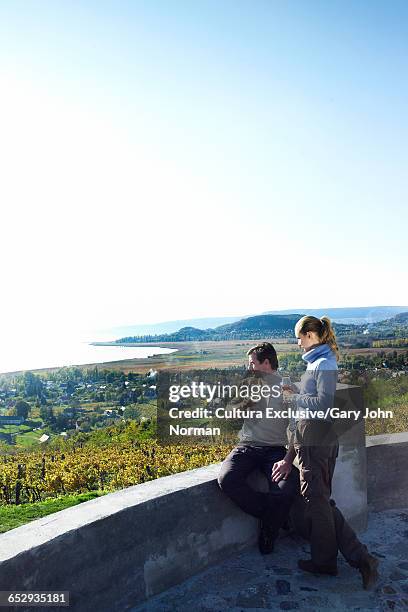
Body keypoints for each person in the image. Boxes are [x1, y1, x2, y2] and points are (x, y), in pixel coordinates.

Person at [272, 315, 379, 588]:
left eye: (298, 337)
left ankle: (333, 562)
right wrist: (296, 389)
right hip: (314, 439)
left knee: (317, 502)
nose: (297, 343)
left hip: (315, 441)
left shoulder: (323, 363)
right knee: (320, 501)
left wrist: (292, 397)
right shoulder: (320, 363)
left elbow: (322, 404)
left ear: (309, 335)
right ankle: (356, 557)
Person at [218, 342, 300, 554]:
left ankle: (268, 531)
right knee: (227, 479)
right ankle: (272, 516)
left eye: (252, 363)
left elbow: (299, 427)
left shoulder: (286, 387)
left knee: (287, 486)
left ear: (266, 363)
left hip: (274, 450)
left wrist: (289, 459)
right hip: (246, 447)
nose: (249, 367)